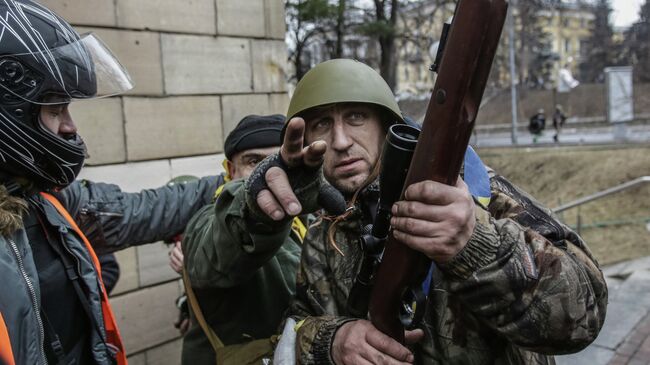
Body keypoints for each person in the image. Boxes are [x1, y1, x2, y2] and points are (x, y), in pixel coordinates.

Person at [230, 59, 607, 364]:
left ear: (384, 126)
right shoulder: (323, 233)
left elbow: (583, 316)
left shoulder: (471, 193)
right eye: (323, 124)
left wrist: (475, 243)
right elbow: (294, 328)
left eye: (356, 117)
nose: (341, 141)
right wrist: (332, 341)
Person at [0, 1, 220, 364]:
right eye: (56, 109)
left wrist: (235, 182)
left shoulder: (41, 199)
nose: (69, 126)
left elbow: (137, 211)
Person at [178, 114, 310, 364]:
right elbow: (221, 246)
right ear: (230, 170)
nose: (271, 173)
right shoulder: (209, 221)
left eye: (279, 162)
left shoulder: (305, 217)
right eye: (254, 162)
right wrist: (256, 211)